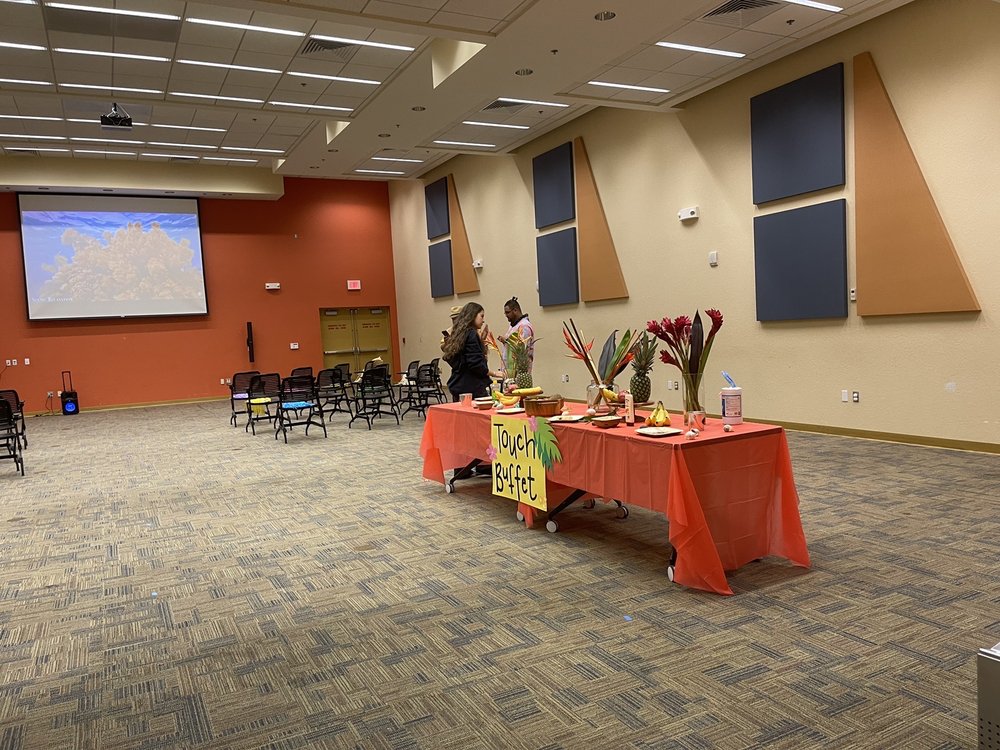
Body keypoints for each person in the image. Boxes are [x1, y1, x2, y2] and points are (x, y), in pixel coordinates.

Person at [441, 302, 492, 401]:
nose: (483, 320)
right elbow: (475, 363)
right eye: (481, 316)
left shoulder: (458, 334)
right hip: (471, 386)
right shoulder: (470, 333)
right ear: (472, 316)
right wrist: (493, 373)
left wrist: (482, 340)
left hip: (459, 385)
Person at [497, 296, 535, 368]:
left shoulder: (524, 326)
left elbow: (522, 348)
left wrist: (506, 341)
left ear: (515, 310)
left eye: (507, 312)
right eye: (505, 313)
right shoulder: (513, 325)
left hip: (519, 371)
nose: (506, 315)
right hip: (510, 370)